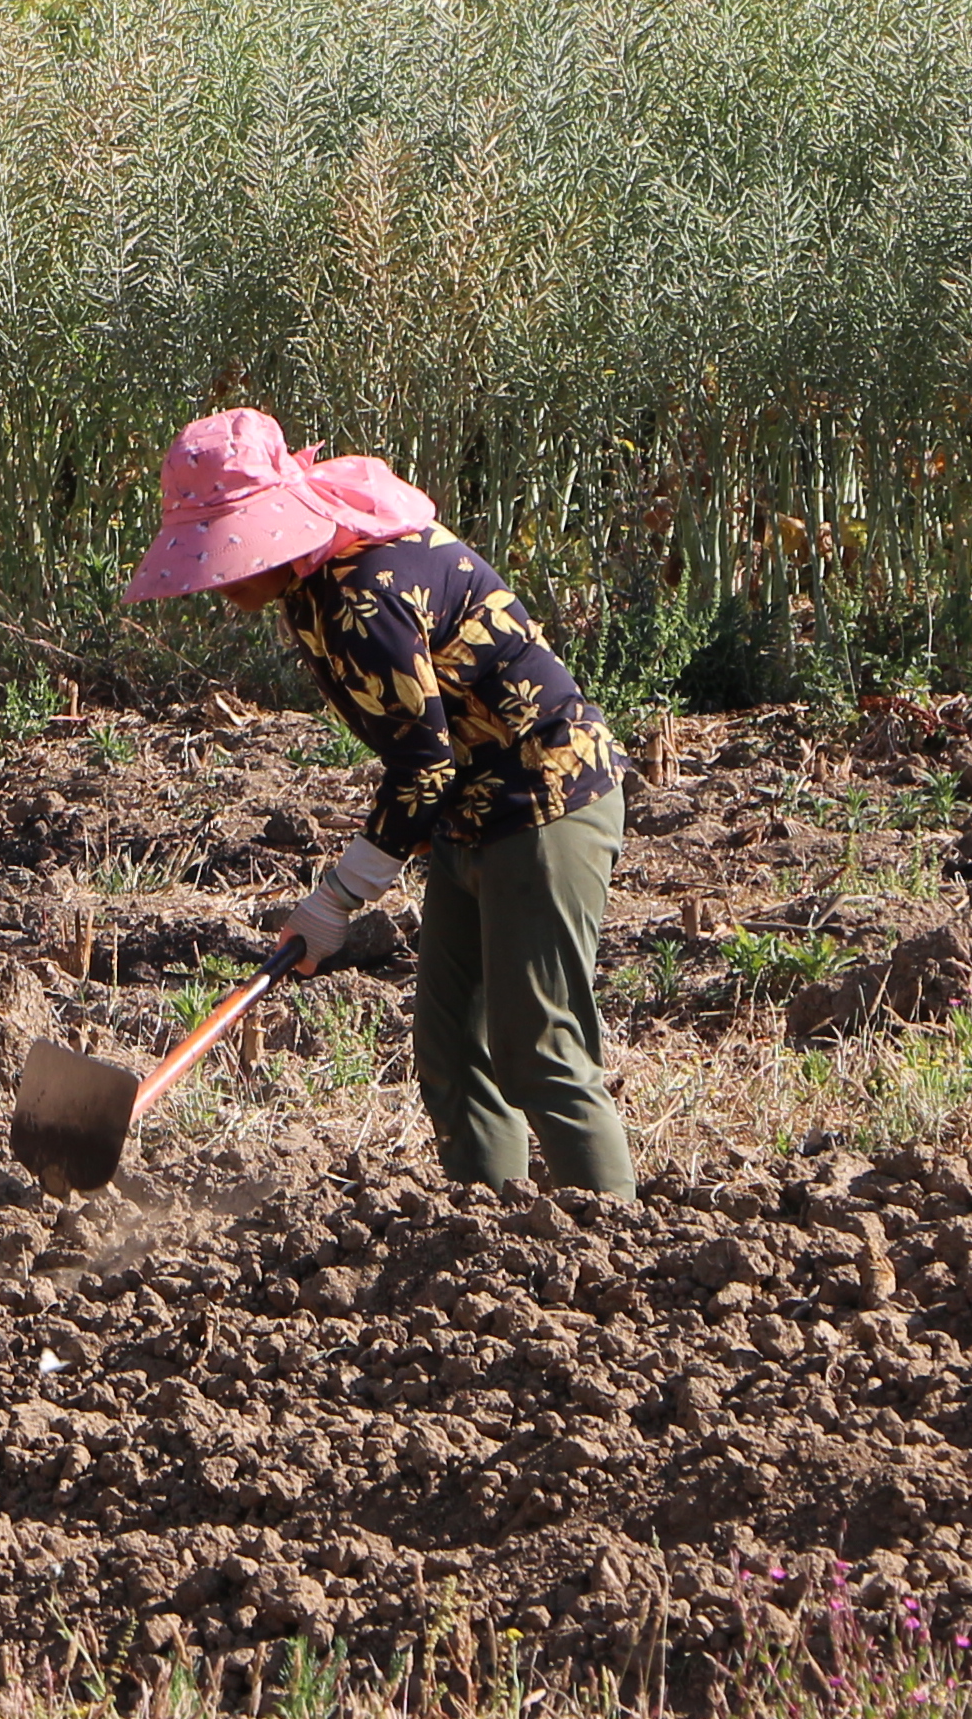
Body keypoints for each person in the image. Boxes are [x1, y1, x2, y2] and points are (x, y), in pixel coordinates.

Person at [121, 407, 634, 1201]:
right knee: (451, 1050)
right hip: (469, 812)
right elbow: (427, 754)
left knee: (538, 1049)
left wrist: (340, 896)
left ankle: (614, 1253)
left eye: (224, 554)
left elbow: (421, 761)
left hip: (545, 801)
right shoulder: (314, 583)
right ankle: (492, 1242)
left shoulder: (364, 591)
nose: (218, 581)